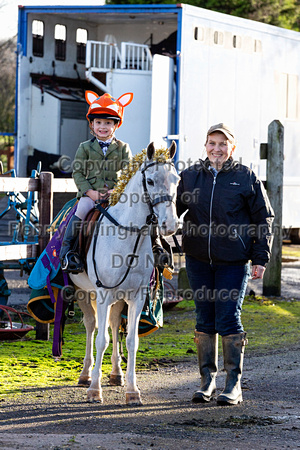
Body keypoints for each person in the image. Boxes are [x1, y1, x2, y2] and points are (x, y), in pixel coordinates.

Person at [176, 123, 274, 405]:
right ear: (204, 146)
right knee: (204, 319)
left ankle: (233, 385)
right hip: (197, 260)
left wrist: (260, 258)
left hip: (233, 261)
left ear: (232, 147)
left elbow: (263, 219)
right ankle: (207, 382)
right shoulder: (190, 176)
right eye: (211, 143)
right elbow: (172, 210)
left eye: (222, 144)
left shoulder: (246, 178)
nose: (216, 149)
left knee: (228, 318)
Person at [59, 90, 133, 273]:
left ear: (116, 125)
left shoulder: (124, 148)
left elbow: (129, 173)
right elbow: (77, 172)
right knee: (81, 210)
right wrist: (89, 192)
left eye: (108, 123)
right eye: (99, 122)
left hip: (116, 196)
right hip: (91, 195)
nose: (103, 126)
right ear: (92, 124)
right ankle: (68, 252)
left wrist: (117, 191)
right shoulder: (84, 147)